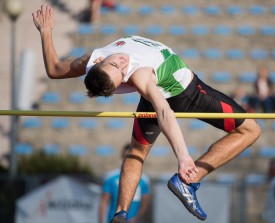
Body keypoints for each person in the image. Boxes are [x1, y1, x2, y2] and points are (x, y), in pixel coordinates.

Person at [32, 5, 261, 222]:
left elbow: (54, 69)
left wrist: (46, 31)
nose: (122, 63)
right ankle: (190, 181)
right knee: (251, 130)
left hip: (157, 95)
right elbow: (164, 110)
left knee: (137, 152)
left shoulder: (91, 58)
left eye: (116, 66)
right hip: (185, 93)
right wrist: (183, 157)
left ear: (99, 61)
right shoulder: (140, 75)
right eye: (121, 72)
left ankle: (120, 215)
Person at [99, 143, 151, 223]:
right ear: (123, 156)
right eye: (127, 157)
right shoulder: (111, 178)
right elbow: (103, 202)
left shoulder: (143, 179)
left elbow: (145, 204)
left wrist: (136, 218)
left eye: (133, 158)